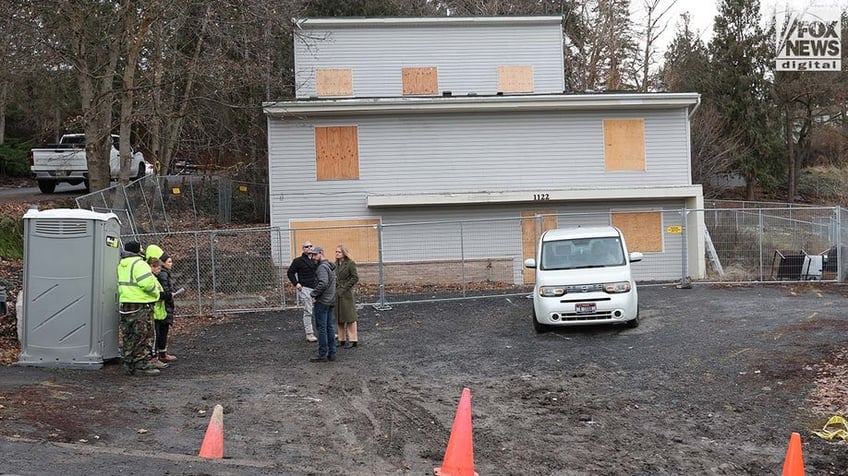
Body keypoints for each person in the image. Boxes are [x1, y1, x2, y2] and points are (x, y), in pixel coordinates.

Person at [117, 241, 160, 376]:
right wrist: (156, 293)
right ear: (137, 250)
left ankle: (129, 363)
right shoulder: (140, 264)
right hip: (141, 305)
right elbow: (147, 284)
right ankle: (142, 365)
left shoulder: (122, 265)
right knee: (143, 335)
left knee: (129, 336)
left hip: (126, 304)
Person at [308, 246, 337, 362]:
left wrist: (313, 294)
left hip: (322, 301)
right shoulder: (330, 266)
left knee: (322, 328)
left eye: (315, 255)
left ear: (321, 253)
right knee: (329, 327)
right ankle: (332, 353)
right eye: (312, 255)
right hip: (330, 300)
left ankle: (322, 354)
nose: (313, 257)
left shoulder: (322, 268)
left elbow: (323, 283)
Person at [287, 241, 319, 342]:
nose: (309, 248)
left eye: (310, 246)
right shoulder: (298, 261)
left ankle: (324, 331)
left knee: (321, 310)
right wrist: (296, 284)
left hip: (318, 289)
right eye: (306, 246)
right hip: (306, 289)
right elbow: (290, 272)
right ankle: (309, 333)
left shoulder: (316, 259)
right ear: (303, 249)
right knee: (308, 311)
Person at [334, 245, 360, 348]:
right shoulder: (335, 264)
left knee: (349, 316)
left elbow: (355, 277)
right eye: (336, 252)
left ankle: (353, 339)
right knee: (339, 316)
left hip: (346, 293)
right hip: (337, 292)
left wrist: (345, 287)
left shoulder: (350, 264)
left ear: (344, 253)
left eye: (339, 252)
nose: (337, 254)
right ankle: (341, 339)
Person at [155, 252, 178, 363]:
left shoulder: (163, 274)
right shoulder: (163, 274)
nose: (171, 264)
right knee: (162, 330)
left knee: (162, 330)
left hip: (164, 306)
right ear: (163, 263)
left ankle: (161, 353)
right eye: (169, 261)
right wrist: (169, 295)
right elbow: (164, 291)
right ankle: (161, 354)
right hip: (163, 306)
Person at [146, 257, 169, 370]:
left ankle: (155, 357)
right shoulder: (150, 278)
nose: (159, 271)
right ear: (152, 267)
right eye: (158, 268)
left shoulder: (154, 278)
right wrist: (165, 295)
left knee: (157, 335)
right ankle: (153, 358)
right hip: (155, 312)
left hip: (158, 312)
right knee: (154, 336)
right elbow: (155, 294)